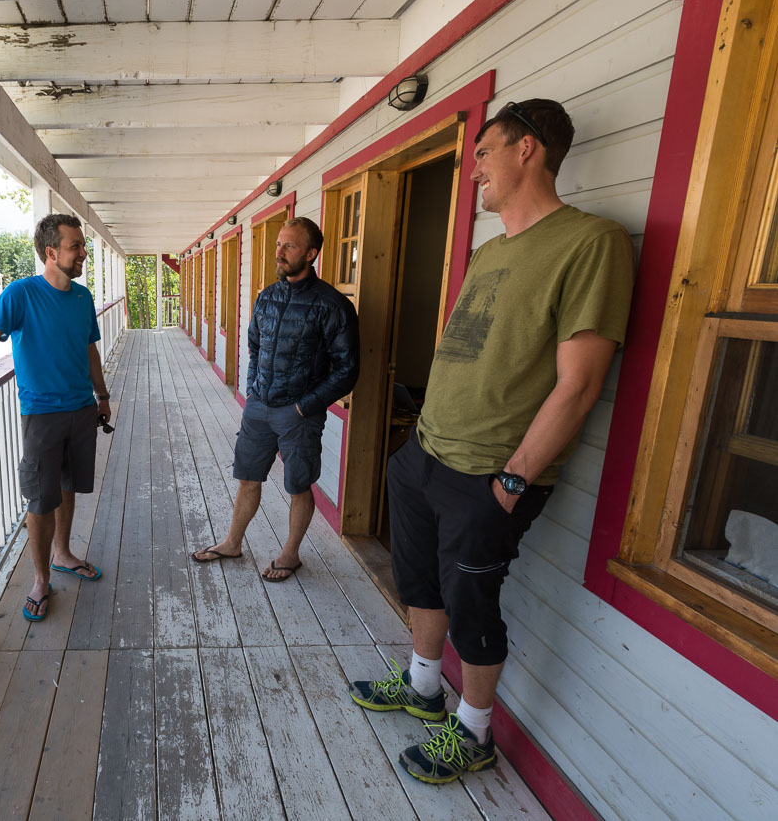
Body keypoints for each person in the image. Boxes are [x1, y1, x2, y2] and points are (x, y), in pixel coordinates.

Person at [350, 99, 634, 785]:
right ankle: (422, 686)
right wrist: (412, 445)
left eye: (482, 151)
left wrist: (512, 482)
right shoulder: (488, 251)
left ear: (526, 150)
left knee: (473, 605)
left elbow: (578, 383)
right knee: (418, 580)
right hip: (424, 452)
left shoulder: (590, 243)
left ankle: (473, 733)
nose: (470, 166)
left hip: (488, 474)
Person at [0, 213, 110, 622]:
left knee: (68, 486)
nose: (83, 253)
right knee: (41, 498)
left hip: (81, 409)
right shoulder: (22, 293)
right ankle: (41, 579)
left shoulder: (82, 298)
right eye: (76, 246)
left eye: (83, 245)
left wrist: (102, 395)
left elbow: (90, 350)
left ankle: (63, 553)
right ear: (51, 252)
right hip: (42, 414)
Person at [192, 217, 359, 581]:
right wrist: (253, 388)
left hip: (299, 413)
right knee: (248, 478)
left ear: (311, 254)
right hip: (259, 407)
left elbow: (347, 370)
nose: (279, 252)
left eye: (290, 246)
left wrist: (303, 406)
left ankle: (291, 553)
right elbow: (254, 344)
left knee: (298, 485)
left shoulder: (332, 305)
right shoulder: (267, 296)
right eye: (279, 244)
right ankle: (232, 543)